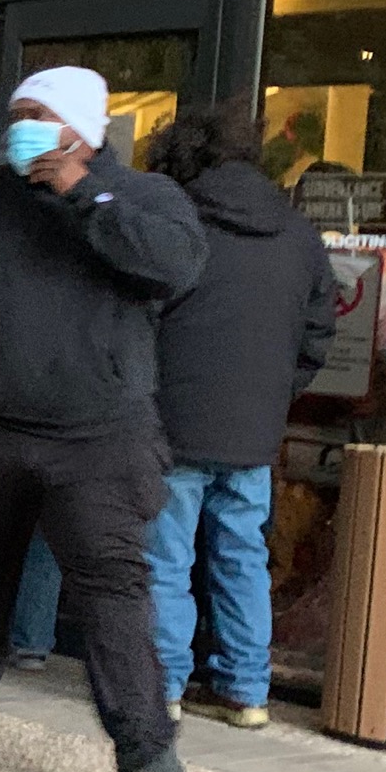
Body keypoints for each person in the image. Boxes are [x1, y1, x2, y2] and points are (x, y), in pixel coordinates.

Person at [0, 66, 207, 772]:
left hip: (98, 437)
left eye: (40, 113)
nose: (22, 125)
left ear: (84, 128)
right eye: (17, 112)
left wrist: (80, 192)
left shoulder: (147, 199)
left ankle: (144, 749)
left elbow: (173, 268)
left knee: (113, 587)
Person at [142, 103, 336, 728]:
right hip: (254, 429)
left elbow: (140, 317)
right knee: (242, 556)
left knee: (167, 561)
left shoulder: (176, 220)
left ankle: (165, 686)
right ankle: (247, 691)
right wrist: (277, 391)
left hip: (173, 421)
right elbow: (318, 332)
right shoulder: (299, 233)